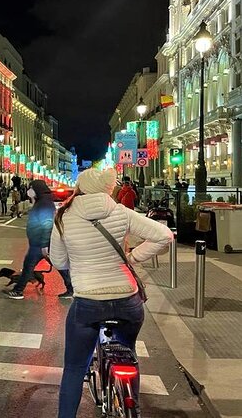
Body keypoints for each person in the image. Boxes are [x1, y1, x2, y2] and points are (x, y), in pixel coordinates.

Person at [50, 168, 173, 417]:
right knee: (128, 351)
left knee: (74, 368)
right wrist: (132, 258)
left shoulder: (64, 216)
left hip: (89, 300)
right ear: (108, 188)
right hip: (127, 299)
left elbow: (59, 261)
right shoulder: (120, 211)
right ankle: (132, 408)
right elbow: (164, 235)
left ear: (80, 187)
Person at [7, 179, 56, 299]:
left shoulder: (44, 203)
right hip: (38, 242)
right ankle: (70, 287)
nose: (29, 191)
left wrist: (44, 245)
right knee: (57, 265)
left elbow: (47, 224)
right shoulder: (43, 201)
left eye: (31, 188)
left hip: (39, 243)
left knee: (28, 266)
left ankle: (18, 290)